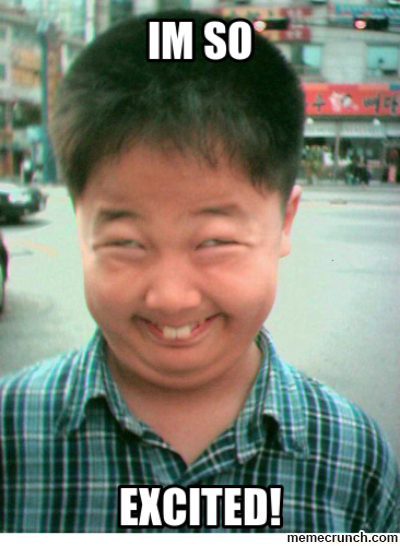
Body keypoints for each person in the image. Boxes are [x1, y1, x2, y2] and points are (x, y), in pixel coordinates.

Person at [0, 10, 398, 533]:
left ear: (284, 221)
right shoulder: (10, 437)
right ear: (80, 226)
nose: (171, 297)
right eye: (126, 243)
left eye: (214, 242)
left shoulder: (354, 460)